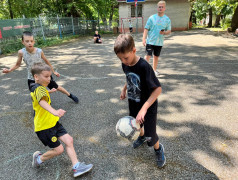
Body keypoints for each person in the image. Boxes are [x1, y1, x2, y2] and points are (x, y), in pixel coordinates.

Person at [30, 62, 93, 177]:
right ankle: (38, 159)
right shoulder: (39, 89)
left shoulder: (39, 88)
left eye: (50, 76)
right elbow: (42, 101)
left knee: (69, 140)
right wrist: (55, 112)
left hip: (53, 122)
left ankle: (76, 166)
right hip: (44, 127)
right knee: (59, 150)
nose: (49, 79)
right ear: (36, 77)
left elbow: (38, 95)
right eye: (46, 76)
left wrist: (49, 91)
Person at [114, 34, 166, 168]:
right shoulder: (125, 64)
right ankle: (141, 136)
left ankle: (158, 149)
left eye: (125, 57)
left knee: (150, 134)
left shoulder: (144, 66)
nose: (123, 61)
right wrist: (124, 89)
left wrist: (144, 108)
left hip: (148, 105)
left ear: (134, 50)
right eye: (120, 58)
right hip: (134, 101)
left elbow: (158, 89)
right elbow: (129, 77)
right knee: (136, 124)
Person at [2, 31, 78, 103]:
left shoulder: (39, 51)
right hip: (32, 77)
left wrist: (53, 71)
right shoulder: (21, 52)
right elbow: (17, 65)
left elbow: (46, 61)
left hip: (44, 74)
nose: (29, 43)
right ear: (23, 42)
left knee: (56, 87)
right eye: (27, 41)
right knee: (34, 93)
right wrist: (9, 70)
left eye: (31, 41)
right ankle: (37, 108)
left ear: (34, 41)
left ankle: (70, 95)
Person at [142, 1, 171, 76]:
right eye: (159, 7)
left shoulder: (167, 19)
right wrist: (144, 39)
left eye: (162, 7)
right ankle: (144, 71)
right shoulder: (152, 18)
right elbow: (146, 28)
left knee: (156, 56)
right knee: (147, 55)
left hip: (159, 42)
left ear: (164, 8)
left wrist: (164, 32)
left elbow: (169, 31)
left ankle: (154, 70)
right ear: (157, 8)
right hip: (150, 41)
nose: (160, 8)